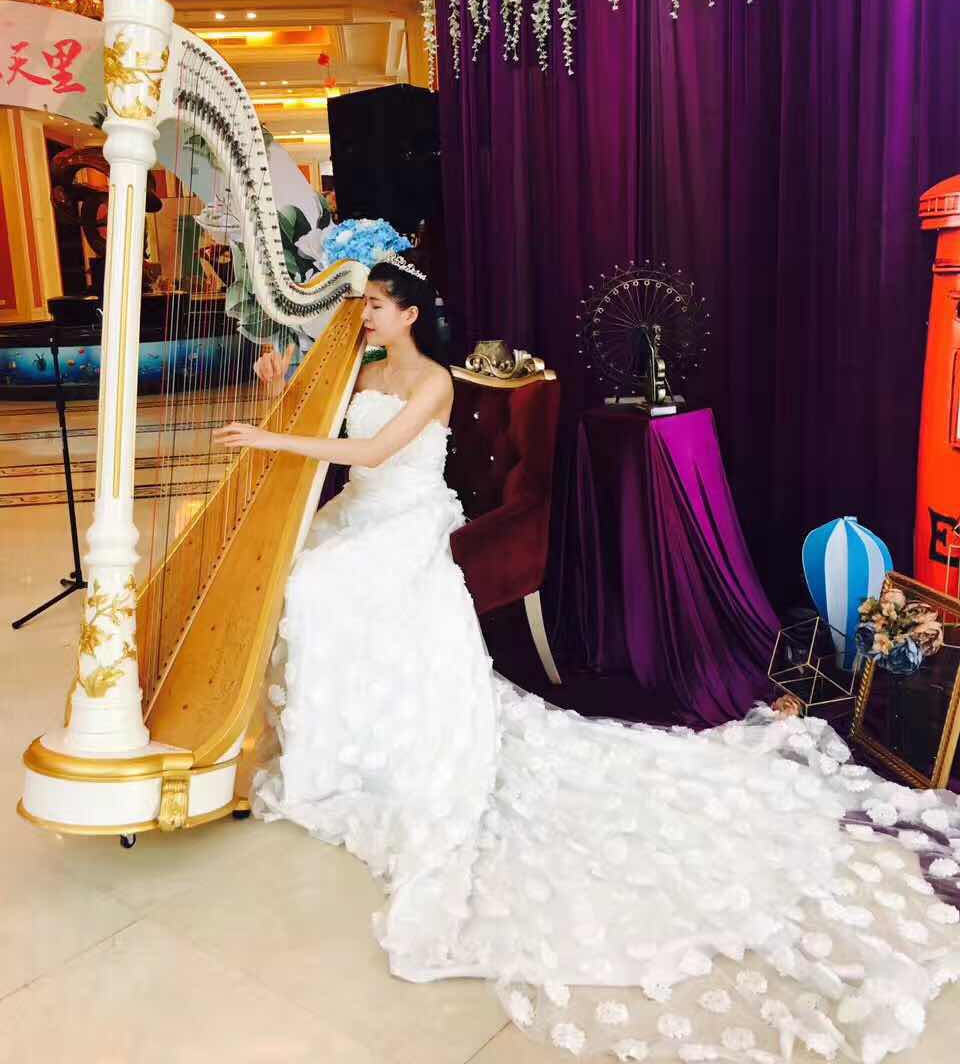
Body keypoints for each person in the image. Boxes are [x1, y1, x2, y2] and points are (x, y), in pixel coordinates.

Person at [215, 254, 960, 1063]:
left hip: (405, 520)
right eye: (361, 305)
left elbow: (367, 454)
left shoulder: (431, 382)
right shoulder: (360, 368)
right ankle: (338, 738)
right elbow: (326, 425)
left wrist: (267, 437)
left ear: (409, 316)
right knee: (302, 578)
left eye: (373, 305)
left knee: (319, 587)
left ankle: (360, 744)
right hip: (360, 518)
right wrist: (273, 389)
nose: (361, 314)